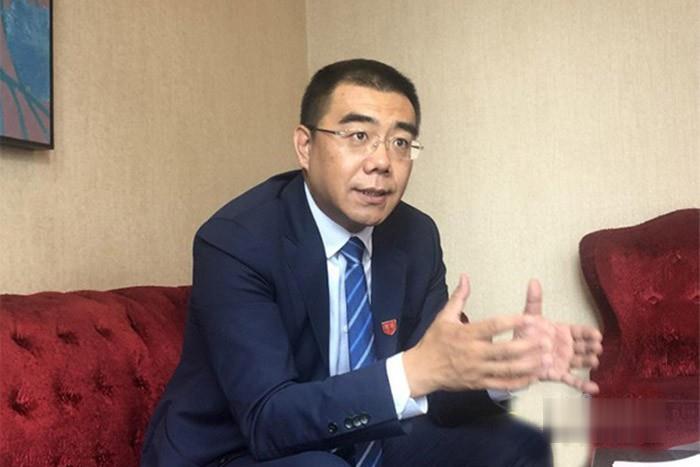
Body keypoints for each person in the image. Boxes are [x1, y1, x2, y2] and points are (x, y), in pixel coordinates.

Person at [141, 59, 603, 467]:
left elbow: (436, 385)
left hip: (362, 434)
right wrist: (412, 371)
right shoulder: (237, 241)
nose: (382, 161)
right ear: (305, 146)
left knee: (519, 444)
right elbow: (267, 419)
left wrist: (500, 371)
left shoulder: (414, 235)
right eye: (358, 136)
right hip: (235, 451)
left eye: (401, 142)